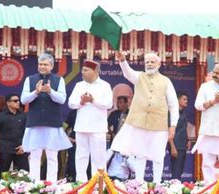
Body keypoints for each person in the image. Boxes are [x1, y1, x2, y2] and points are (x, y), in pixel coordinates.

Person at [111, 51, 179, 184]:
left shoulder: (166, 81)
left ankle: (158, 184)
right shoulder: (139, 76)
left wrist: (173, 126)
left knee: (158, 155)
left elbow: (173, 105)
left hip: (159, 123)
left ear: (159, 64)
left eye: (152, 62)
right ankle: (139, 183)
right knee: (140, 154)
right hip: (139, 122)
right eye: (147, 62)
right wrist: (123, 61)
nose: (149, 64)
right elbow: (127, 73)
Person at [21, 53, 72, 182]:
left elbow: (61, 99)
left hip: (52, 123)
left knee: (52, 155)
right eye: (40, 64)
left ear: (51, 66)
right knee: (34, 155)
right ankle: (34, 185)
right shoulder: (30, 79)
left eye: (45, 64)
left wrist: (50, 91)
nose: (42, 67)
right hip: (35, 123)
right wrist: (36, 92)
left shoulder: (58, 80)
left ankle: (51, 185)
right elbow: (23, 100)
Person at [68, 59, 113, 182]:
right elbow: (71, 103)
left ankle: (98, 185)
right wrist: (81, 102)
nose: (82, 72)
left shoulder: (105, 85)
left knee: (98, 157)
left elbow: (109, 104)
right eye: (82, 70)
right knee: (81, 156)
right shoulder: (79, 85)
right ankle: (81, 185)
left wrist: (93, 101)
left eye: (86, 70)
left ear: (95, 72)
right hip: (81, 126)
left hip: (98, 128)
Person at [0, 94, 29, 180]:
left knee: (24, 175)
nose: (18, 102)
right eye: (15, 101)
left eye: (18, 100)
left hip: (20, 149)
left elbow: (28, 133)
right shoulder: (1, 116)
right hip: (5, 149)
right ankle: (0, 192)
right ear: (8, 103)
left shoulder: (23, 116)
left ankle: (23, 192)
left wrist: (25, 145)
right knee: (1, 175)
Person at [169, 91, 190, 180]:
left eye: (187, 100)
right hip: (175, 146)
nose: (186, 101)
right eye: (184, 99)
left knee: (180, 171)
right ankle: (173, 191)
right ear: (177, 100)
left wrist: (188, 139)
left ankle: (176, 189)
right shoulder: (172, 114)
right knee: (176, 173)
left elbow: (184, 127)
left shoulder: (183, 113)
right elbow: (168, 131)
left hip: (183, 146)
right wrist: (172, 147)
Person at [64, 109, 91, 182]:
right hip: (75, 142)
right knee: (73, 162)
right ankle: (75, 181)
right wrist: (69, 138)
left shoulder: (91, 111)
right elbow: (64, 127)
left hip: (90, 143)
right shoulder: (73, 113)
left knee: (88, 163)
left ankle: (89, 182)